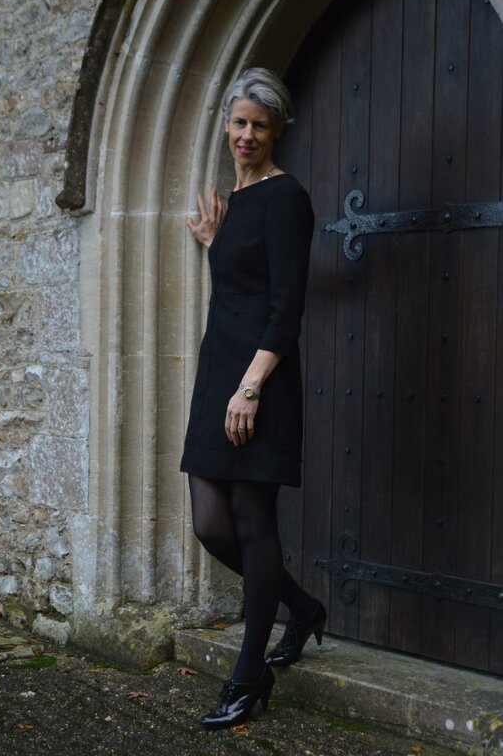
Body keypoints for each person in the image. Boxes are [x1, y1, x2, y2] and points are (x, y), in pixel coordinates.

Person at [181, 67, 326, 730]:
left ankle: (248, 678)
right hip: (219, 372)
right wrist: (217, 243)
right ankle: (300, 607)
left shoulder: (286, 198)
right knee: (211, 523)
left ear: (276, 130)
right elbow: (243, 283)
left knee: (251, 521)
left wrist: (252, 387)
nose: (245, 135)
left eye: (258, 126)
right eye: (238, 122)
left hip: (258, 380)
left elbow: (284, 305)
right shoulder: (236, 203)